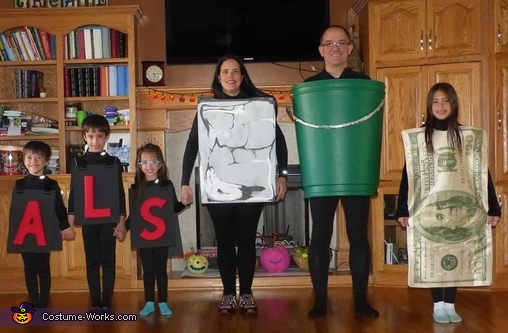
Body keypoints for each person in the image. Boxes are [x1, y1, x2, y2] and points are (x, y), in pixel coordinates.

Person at [180, 54, 289, 315]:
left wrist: (281, 174)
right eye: (225, 71)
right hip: (217, 186)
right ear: (219, 77)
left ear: (242, 76)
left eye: (235, 71)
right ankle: (229, 294)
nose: (230, 76)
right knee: (225, 241)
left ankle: (247, 295)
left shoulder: (261, 106)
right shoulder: (207, 108)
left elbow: (279, 142)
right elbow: (192, 146)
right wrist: (185, 182)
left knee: (247, 240)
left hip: (253, 185)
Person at [396, 82, 501, 324]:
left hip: (460, 210)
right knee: (433, 249)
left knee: (457, 250)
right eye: (435, 101)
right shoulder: (420, 139)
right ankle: (437, 305)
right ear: (429, 106)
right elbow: (408, 176)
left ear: (453, 104)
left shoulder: (467, 138)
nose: (440, 106)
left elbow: (481, 173)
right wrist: (402, 209)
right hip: (428, 211)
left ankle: (451, 304)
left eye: (445, 101)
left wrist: (492, 208)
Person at [303, 25, 379, 319]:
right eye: (329, 43)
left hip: (355, 170)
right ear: (321, 50)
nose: (335, 47)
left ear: (349, 49)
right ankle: (320, 299)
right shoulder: (309, 89)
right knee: (319, 236)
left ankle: (361, 299)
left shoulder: (364, 85)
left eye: (341, 43)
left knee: (358, 235)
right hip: (322, 173)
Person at [67, 114, 127, 311]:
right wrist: (70, 223)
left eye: (100, 136)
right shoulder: (77, 162)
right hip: (88, 220)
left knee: (108, 260)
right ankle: (95, 299)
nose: (95, 141)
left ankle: (107, 299)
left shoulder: (114, 162)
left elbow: (119, 193)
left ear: (106, 137)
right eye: (91, 136)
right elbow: (74, 193)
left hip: (109, 219)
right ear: (85, 137)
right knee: (92, 261)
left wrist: (121, 222)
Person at [9, 141, 75, 308]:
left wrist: (65, 227)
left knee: (43, 268)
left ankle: (43, 302)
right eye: (29, 157)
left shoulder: (51, 185)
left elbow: (59, 208)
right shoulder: (20, 185)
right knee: (29, 268)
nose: (34, 161)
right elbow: (15, 212)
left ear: (46, 161)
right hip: (25, 234)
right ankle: (33, 300)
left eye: (39, 157)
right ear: (24, 160)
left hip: (43, 233)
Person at [127, 143, 186, 316]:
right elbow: (135, 216)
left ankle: (163, 301)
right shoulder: (136, 188)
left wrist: (184, 202)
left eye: (153, 161)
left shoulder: (167, 185)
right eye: (144, 162)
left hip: (161, 236)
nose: (149, 166)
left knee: (160, 269)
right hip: (144, 237)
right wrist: (124, 227)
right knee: (148, 270)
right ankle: (149, 302)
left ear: (160, 164)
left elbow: (173, 209)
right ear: (139, 166)